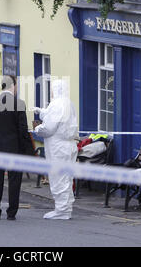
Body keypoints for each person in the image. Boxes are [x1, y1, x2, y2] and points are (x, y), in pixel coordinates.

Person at [0, 75, 34, 220]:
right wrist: (23, 148)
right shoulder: (19, 104)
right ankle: (11, 213)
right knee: (14, 181)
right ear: (13, 85)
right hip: (14, 148)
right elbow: (22, 129)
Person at [33, 79, 78, 220]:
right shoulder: (68, 103)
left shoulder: (57, 104)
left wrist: (37, 129)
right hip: (68, 145)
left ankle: (62, 210)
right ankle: (66, 207)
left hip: (58, 146)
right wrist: (43, 112)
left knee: (58, 177)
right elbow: (56, 118)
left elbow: (49, 128)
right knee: (66, 177)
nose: (51, 92)